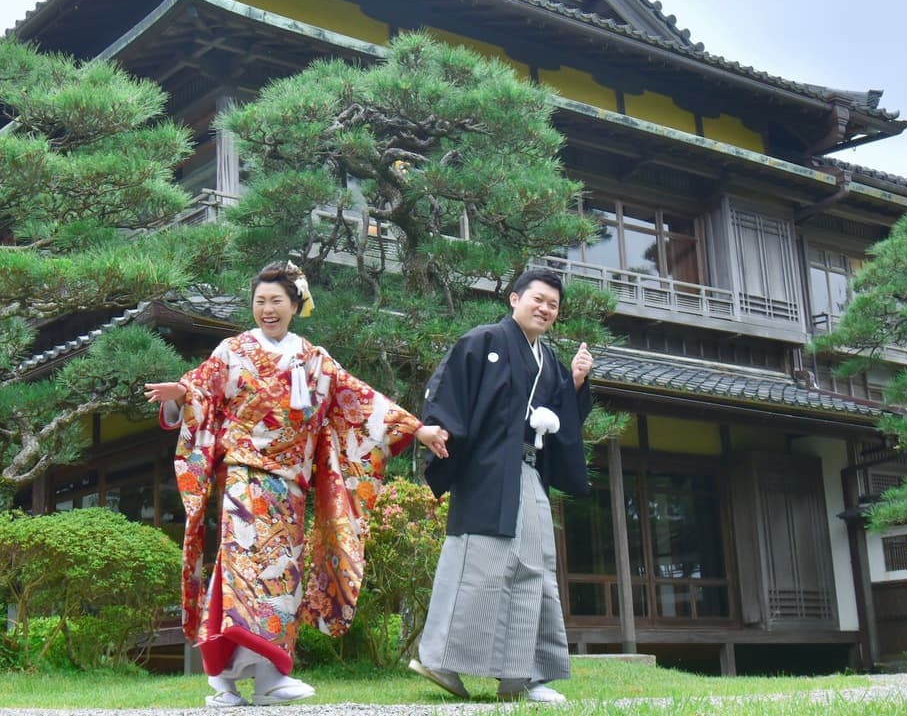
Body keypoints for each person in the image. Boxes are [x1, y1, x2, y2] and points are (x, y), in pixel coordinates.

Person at [146, 261, 450, 708]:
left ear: (294, 305)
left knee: (281, 578)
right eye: (259, 302)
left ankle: (266, 677)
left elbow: (359, 399)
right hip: (245, 477)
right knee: (245, 570)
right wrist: (182, 396)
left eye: (276, 302)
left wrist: (417, 428)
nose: (267, 310)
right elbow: (201, 390)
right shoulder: (232, 351)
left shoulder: (315, 359)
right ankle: (225, 681)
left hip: (291, 485)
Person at [409, 267, 594, 705]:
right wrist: (436, 431)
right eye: (539, 299)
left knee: (534, 567)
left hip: (528, 473)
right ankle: (441, 660)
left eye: (553, 305)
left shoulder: (547, 360)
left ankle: (523, 676)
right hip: (486, 474)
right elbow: (449, 393)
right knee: (477, 565)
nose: (545, 309)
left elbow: (559, 418)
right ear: (515, 299)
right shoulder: (483, 341)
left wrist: (576, 383)